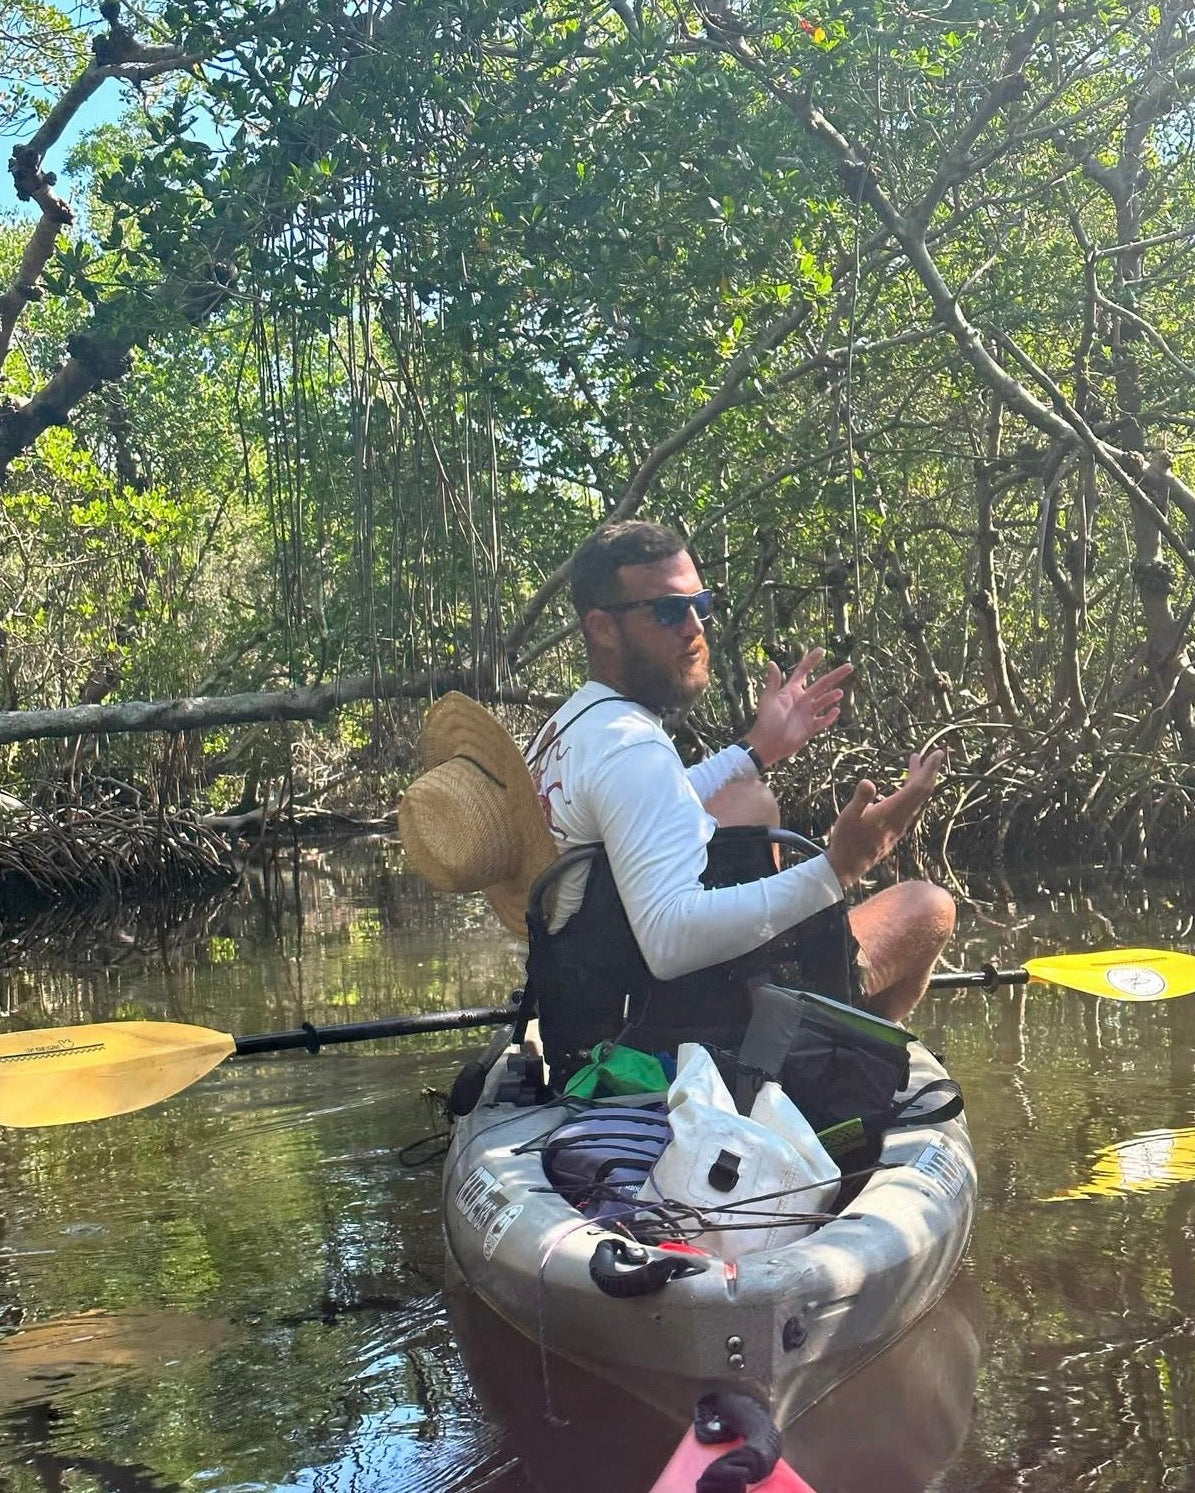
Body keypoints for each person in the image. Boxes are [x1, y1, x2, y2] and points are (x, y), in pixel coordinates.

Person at [525, 521, 952, 1066]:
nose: (694, 626)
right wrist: (838, 868)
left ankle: (827, 1037)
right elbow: (670, 940)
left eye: (699, 603)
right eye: (667, 611)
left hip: (594, 1008)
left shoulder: (573, 725)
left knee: (749, 798)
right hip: (672, 1027)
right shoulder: (632, 748)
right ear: (602, 628)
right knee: (926, 904)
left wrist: (755, 751)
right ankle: (829, 1063)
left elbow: (651, 802)